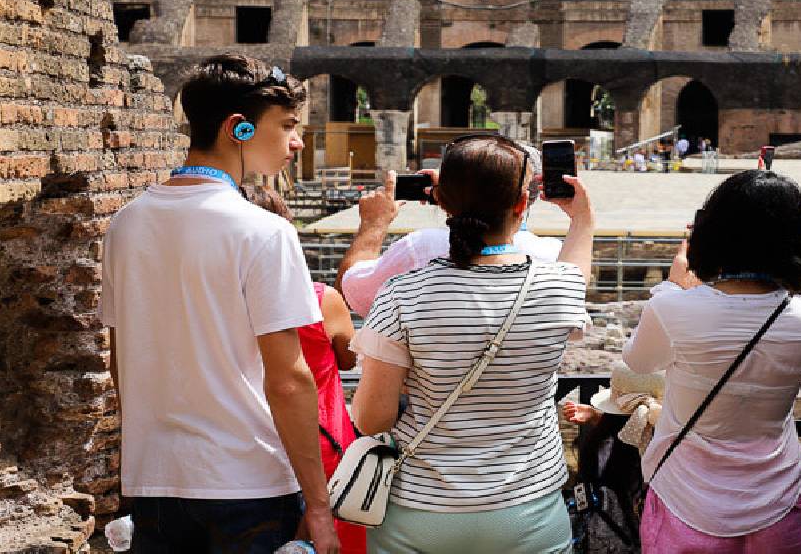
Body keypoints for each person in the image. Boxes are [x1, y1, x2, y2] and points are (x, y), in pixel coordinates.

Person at [100, 54, 340, 553]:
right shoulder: (264, 230)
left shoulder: (126, 222)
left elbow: (121, 360)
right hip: (247, 482)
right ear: (239, 128)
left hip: (154, 481)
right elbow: (289, 378)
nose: (296, 142)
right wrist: (319, 504)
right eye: (288, 126)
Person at [350, 134, 595, 553]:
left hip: (420, 510)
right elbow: (578, 267)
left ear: (441, 201)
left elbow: (371, 419)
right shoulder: (558, 286)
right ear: (523, 203)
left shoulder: (401, 295)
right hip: (528, 507)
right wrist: (582, 219)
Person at [623, 170, 801, 552]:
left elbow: (638, 362)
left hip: (686, 496)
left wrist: (674, 286)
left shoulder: (672, 307)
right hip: (777, 498)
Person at [244, 186, 366, 554]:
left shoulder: (217, 309)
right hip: (322, 445)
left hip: (249, 447)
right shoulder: (320, 301)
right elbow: (349, 359)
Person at [335, 145, 565, 317]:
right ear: (525, 200)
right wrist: (582, 216)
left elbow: (350, 292)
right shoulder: (555, 257)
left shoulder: (421, 247)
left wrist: (373, 224)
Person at [561, 362, 658, 554]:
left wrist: (597, 416)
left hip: (597, 533)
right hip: (635, 539)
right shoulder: (652, 449)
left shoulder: (600, 440)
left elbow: (621, 426)